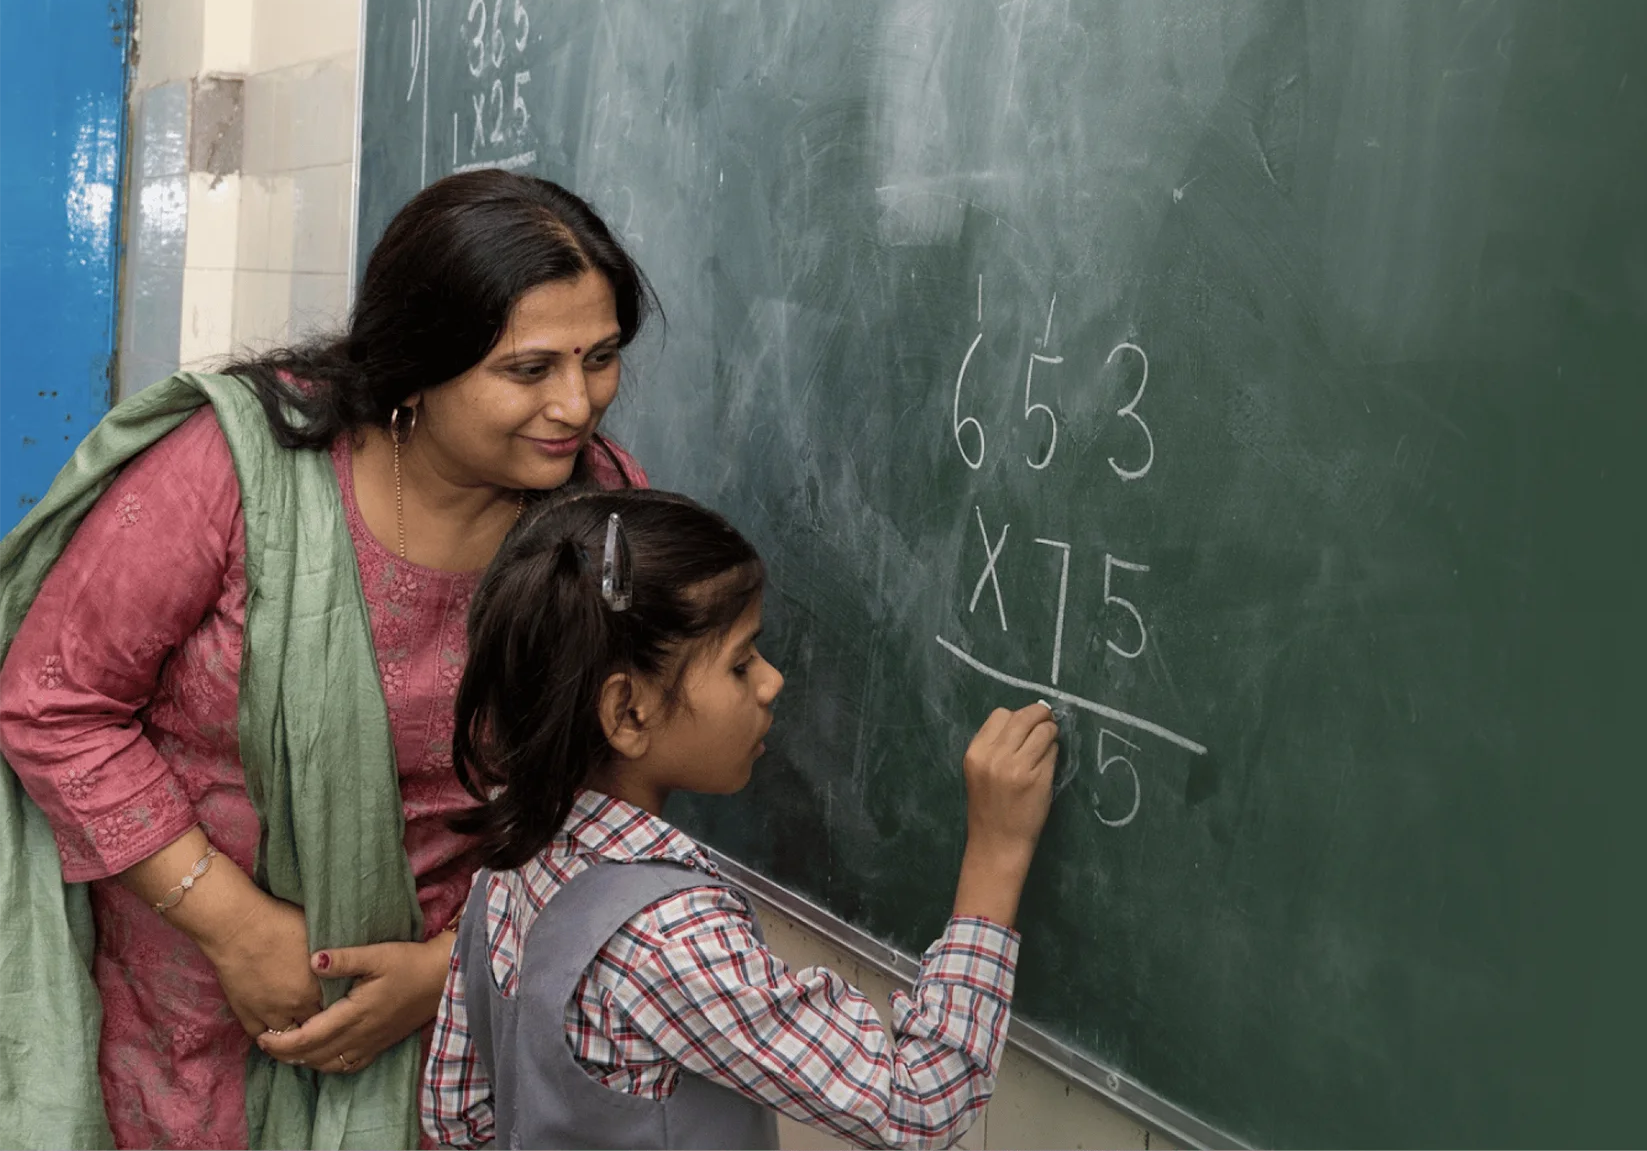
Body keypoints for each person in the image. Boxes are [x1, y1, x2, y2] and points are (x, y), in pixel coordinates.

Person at [0, 169, 654, 1150]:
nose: (576, 404)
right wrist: (232, 924)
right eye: (530, 369)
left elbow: (618, 777)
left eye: (600, 358)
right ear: (418, 367)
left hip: (450, 1024)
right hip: (195, 1018)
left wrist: (446, 967)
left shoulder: (600, 513)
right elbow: (54, 699)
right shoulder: (235, 473)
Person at [421, 490, 1057, 1151]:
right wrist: (995, 853)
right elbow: (918, 1103)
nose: (772, 681)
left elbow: (458, 1113)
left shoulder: (513, 861)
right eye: (741, 661)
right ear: (628, 713)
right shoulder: (671, 936)